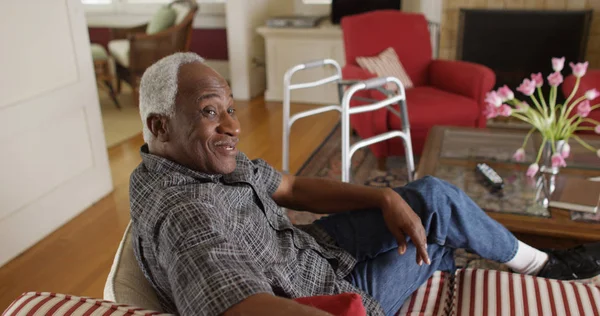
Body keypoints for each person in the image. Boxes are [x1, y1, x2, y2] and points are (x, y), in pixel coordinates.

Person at [129, 52, 600, 316]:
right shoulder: (186, 215)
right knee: (437, 239)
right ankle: (520, 264)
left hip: (311, 250)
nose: (232, 125)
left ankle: (542, 264)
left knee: (430, 198)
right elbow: (240, 308)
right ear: (161, 126)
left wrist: (384, 194)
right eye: (211, 111)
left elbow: (290, 189)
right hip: (328, 293)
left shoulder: (202, 161)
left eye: (230, 107)